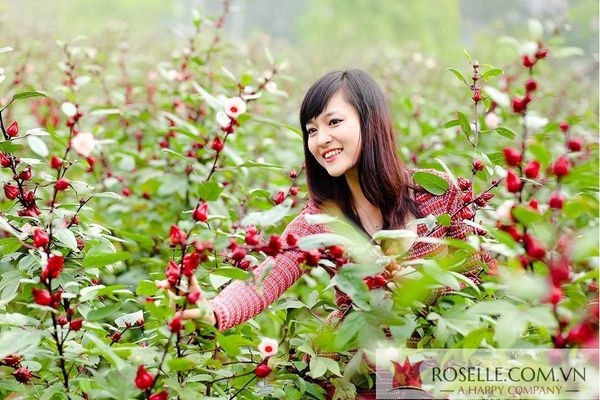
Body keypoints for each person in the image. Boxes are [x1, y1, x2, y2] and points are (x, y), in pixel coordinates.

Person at [158, 69, 492, 396]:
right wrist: (213, 311)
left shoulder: (434, 192)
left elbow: (478, 280)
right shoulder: (320, 220)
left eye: (334, 122)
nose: (321, 139)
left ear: (370, 120)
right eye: (311, 130)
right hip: (354, 379)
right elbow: (266, 278)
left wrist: (424, 286)